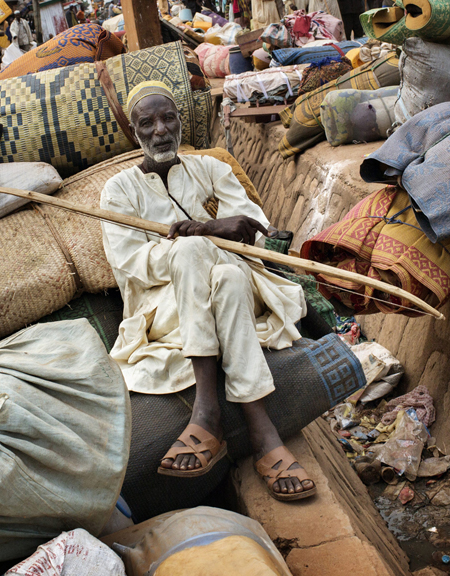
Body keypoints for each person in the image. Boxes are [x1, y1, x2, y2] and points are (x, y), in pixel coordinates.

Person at [99, 81, 315, 501]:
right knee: (204, 261)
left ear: (180, 121)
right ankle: (263, 432)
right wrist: (193, 242)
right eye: (148, 123)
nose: (161, 130)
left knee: (228, 273)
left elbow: (252, 231)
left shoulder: (211, 169)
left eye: (168, 118)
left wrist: (206, 229)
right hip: (166, 307)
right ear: (134, 132)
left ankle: (207, 414)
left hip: (240, 284)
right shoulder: (118, 189)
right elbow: (131, 264)